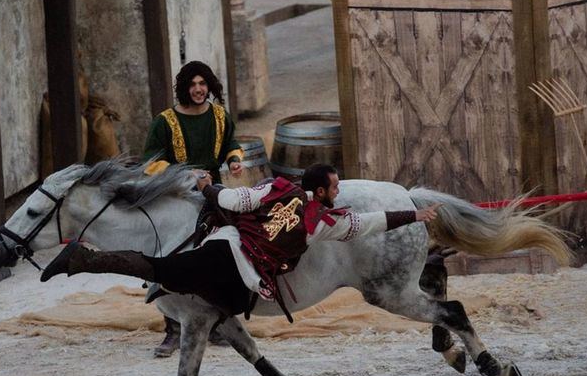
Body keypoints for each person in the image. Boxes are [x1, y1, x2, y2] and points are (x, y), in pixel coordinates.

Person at [40, 163, 440, 322]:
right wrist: (412, 215)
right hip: (239, 270)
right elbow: (366, 223)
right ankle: (82, 259)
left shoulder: (280, 189)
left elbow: (235, 200)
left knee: (164, 269)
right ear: (322, 190)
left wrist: (208, 187)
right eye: (335, 185)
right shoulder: (324, 223)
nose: (339, 189)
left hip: (224, 243)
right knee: (160, 270)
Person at [142, 60, 244, 356]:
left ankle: (217, 323)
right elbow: (150, 163)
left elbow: (231, 144)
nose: (199, 90)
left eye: (203, 84)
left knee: (220, 254)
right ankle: (172, 330)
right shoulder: (164, 121)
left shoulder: (220, 116)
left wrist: (234, 159)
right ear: (184, 88)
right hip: (175, 197)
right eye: (193, 84)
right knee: (170, 260)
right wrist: (186, 174)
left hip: (213, 194)